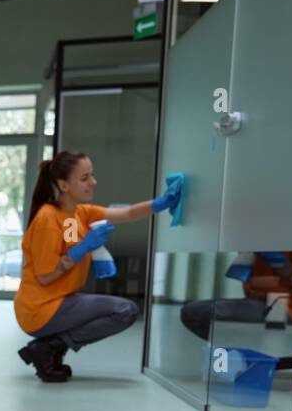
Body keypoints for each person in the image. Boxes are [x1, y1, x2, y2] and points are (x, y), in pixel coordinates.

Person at [13, 149, 178, 381]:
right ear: (64, 185)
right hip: (39, 309)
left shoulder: (78, 213)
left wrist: (160, 203)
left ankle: (50, 347)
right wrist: (80, 250)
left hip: (60, 301)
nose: (93, 182)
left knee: (124, 309)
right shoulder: (47, 219)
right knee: (124, 310)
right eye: (84, 178)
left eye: (92, 175)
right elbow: (45, 277)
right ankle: (50, 347)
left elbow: (128, 213)